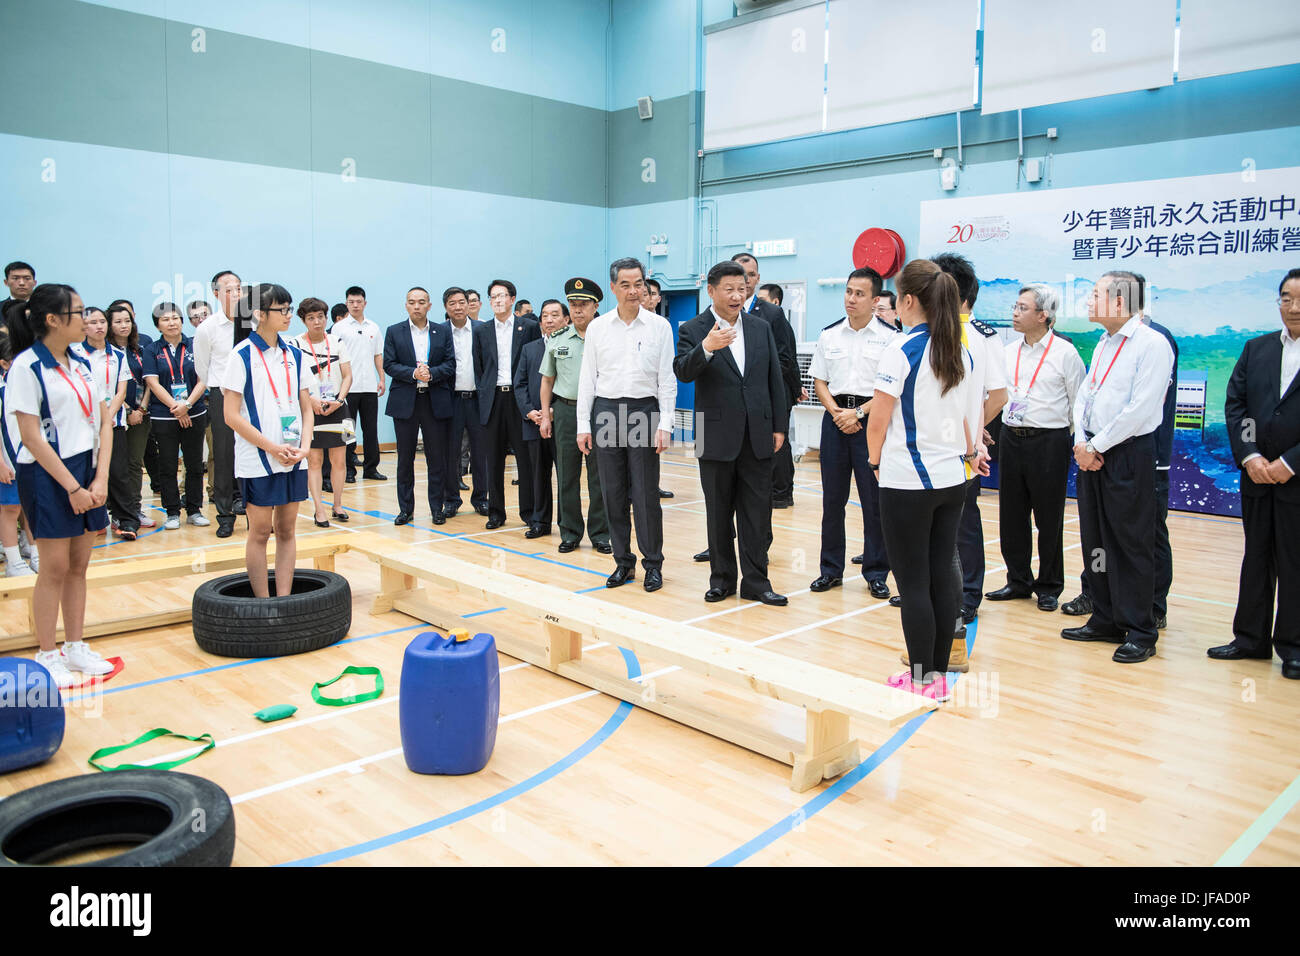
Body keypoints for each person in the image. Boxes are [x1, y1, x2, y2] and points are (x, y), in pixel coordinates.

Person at [867, 260, 983, 702]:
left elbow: (879, 418)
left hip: (907, 482)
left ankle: (921, 679)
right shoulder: (961, 349)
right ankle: (936, 673)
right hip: (953, 479)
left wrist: (875, 462)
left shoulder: (902, 348)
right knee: (941, 575)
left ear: (909, 300)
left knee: (913, 583)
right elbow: (970, 418)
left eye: (895, 295)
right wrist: (971, 455)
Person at [1060, 270, 1174, 664]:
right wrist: (1080, 442)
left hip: (1126, 453)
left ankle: (1140, 629)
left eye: (1095, 295)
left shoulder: (1152, 345)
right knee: (1097, 539)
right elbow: (1085, 396)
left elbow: (1140, 410)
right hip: (1092, 450)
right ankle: (1105, 617)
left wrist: (1095, 445)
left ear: (1120, 302)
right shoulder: (1105, 343)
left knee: (1131, 543)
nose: (1089, 302)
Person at [7, 284, 116, 687]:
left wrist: (100, 477)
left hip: (87, 469)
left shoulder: (83, 360)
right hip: (48, 475)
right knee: (52, 567)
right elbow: (31, 436)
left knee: (78, 566)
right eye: (78, 312)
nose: (86, 319)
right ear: (52, 320)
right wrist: (72, 487)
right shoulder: (26, 367)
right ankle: (47, 653)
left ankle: (75, 646)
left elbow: (104, 420)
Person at [675, 260, 788, 605]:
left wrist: (780, 426)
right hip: (713, 432)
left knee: (756, 513)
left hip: (758, 432)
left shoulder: (759, 327)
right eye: (729, 289)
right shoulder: (693, 329)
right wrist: (707, 347)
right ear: (711, 291)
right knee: (718, 511)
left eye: (742, 289)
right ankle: (722, 579)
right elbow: (682, 371)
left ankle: (756, 581)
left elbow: (774, 378)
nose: (738, 295)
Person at [1212, 268, 1300, 677]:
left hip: (1294, 477)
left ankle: (1294, 646)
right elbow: (1236, 405)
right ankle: (1250, 639)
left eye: (1299, 299)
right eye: (1285, 298)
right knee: (1256, 556)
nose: (1293, 307)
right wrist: (1249, 456)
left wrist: (1289, 463)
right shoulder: (1257, 348)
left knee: (1294, 560)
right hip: (1257, 475)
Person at [577, 257, 676, 591]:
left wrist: (666, 423)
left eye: (639, 284)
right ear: (613, 288)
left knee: (646, 493)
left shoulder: (660, 327)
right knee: (612, 493)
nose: (634, 291)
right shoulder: (598, 328)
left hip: (645, 411)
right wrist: (583, 424)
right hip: (605, 411)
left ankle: (653, 564)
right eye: (626, 285)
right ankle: (623, 562)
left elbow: (667, 380)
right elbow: (587, 379)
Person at [984, 284, 1085, 611]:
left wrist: (1075, 440)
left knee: (1049, 516)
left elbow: (1078, 403)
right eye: (1015, 306)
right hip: (1012, 438)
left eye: (1023, 308)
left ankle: (1050, 585)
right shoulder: (1008, 351)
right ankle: (1018, 580)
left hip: (1049, 441)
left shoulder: (1065, 353)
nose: (1014, 313)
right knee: (1011, 515)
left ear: (1044, 315)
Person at [807, 267, 896, 600]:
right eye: (848, 292)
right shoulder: (829, 335)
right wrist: (838, 413)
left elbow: (889, 389)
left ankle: (876, 572)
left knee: (874, 503)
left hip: (870, 422)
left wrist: (857, 413)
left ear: (875, 300)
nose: (851, 299)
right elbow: (819, 380)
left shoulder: (890, 337)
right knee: (832, 501)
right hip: (835, 421)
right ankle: (830, 570)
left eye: (859, 294)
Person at [932, 252, 1008, 625]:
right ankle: (934, 589)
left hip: (961, 450)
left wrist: (976, 431)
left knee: (963, 520)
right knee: (931, 521)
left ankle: (968, 594)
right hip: (929, 448)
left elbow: (998, 395)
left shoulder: (979, 336)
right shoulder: (931, 331)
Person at [223, 284, 312, 598]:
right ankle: (262, 602)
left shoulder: (295, 353)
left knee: (287, 530)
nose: (289, 315)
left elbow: (306, 405)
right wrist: (272, 448)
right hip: (258, 459)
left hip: (294, 456)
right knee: (260, 532)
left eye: (289, 308)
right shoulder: (241, 355)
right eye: (282, 310)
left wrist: (305, 444)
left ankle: (284, 599)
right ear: (259, 314)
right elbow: (231, 416)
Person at [540, 278, 611, 554]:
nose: (578, 310)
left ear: (595, 307)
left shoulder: (606, 336)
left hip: (599, 411)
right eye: (573, 304)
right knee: (566, 474)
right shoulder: (559, 340)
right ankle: (569, 532)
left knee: (600, 475)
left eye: (583, 305)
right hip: (567, 412)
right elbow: (547, 380)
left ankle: (601, 534)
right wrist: (546, 416)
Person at [732, 253, 801, 509]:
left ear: (758, 278)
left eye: (751, 275)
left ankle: (781, 493)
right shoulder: (714, 315)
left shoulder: (771, 313)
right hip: (732, 405)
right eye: (740, 273)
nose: (746, 279)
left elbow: (785, 358)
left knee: (775, 449)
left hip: (765, 397)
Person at [472, 278, 540, 529]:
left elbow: (533, 365)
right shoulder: (481, 330)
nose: (497, 300)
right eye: (493, 297)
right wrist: (485, 392)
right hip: (492, 400)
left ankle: (529, 513)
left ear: (512, 299)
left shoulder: (528, 327)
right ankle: (496, 513)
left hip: (519, 398)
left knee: (525, 459)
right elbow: (479, 369)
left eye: (502, 296)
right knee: (494, 460)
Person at [385, 287, 455, 526]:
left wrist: (431, 374)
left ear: (429, 305)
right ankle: (406, 509)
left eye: (421, 302)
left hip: (434, 400)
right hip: (405, 401)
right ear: (406, 305)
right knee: (405, 459)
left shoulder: (442, 331)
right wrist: (413, 373)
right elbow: (389, 364)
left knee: (436, 459)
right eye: (412, 302)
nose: (417, 306)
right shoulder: (394, 331)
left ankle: (437, 508)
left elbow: (450, 363)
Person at [143, 301, 208, 530]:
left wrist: (187, 405)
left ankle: (194, 510)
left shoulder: (195, 344)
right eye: (165, 319)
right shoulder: (152, 350)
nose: (172, 323)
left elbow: (204, 378)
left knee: (194, 464)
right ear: (158, 325)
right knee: (168, 465)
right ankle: (172, 512)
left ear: (182, 321)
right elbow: (152, 382)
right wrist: (176, 407)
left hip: (195, 411)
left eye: (175, 318)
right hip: (164, 415)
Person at [193, 270, 243, 537]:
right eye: (229, 289)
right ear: (216, 294)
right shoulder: (207, 329)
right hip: (222, 395)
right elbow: (203, 369)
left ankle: (250, 504)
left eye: (238, 288)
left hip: (250, 397)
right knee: (223, 456)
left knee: (252, 451)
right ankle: (225, 514)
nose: (235, 294)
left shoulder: (252, 322)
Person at [513, 299, 569, 538]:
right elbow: (520, 383)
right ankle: (540, 522)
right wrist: (529, 411)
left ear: (566, 319)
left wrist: (554, 411)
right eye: (545, 315)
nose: (549, 320)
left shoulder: (574, 346)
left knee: (566, 476)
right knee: (538, 474)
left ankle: (568, 526)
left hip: (563, 421)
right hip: (534, 422)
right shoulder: (530, 349)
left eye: (555, 315)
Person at [294, 297, 352, 527]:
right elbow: (295, 381)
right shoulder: (296, 345)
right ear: (303, 320)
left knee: (340, 460)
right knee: (314, 460)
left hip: (340, 407)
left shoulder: (337, 341)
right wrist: (312, 400)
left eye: (320, 317)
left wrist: (339, 399)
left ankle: (338, 504)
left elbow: (347, 375)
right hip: (311, 408)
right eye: (311, 318)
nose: (316, 322)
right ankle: (319, 509)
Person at [74, 308, 129, 538]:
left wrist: (106, 416)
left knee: (118, 473)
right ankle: (90, 520)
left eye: (102, 322)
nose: (99, 326)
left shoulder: (117, 354)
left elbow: (121, 390)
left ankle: (125, 520)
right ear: (83, 326)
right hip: (83, 425)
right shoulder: (74, 353)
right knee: (87, 473)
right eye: (92, 322)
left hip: (112, 423)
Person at [105, 302, 152, 539]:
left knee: (134, 464)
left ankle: (135, 508)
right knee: (115, 466)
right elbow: (113, 388)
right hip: (116, 415)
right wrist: (127, 408)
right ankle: (116, 511)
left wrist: (141, 409)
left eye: (127, 321)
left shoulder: (140, 349)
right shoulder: (107, 352)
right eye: (118, 321)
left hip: (141, 414)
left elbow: (149, 382)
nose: (124, 325)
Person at [440, 287, 487, 518]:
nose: (458, 307)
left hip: (478, 400)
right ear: (445, 307)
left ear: (469, 305)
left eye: (462, 302)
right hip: (451, 400)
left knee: (481, 452)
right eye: (452, 303)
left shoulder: (482, 329)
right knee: (451, 452)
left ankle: (481, 498)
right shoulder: (439, 332)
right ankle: (451, 499)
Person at [332, 285, 386, 483]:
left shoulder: (374, 327)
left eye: (359, 302)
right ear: (347, 303)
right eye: (351, 302)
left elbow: (377, 355)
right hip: (348, 389)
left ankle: (371, 468)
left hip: (370, 387)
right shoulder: (339, 328)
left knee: (371, 429)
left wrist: (381, 378)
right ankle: (348, 470)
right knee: (347, 430)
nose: (355, 305)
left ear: (365, 303)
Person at [0, 323, 33, 575]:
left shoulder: (28, 386)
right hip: (7, 460)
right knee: (10, 509)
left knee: (31, 506)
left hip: (30, 458)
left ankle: (35, 553)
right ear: (4, 363)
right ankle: (13, 561)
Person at [1, 262, 36, 328]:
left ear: (34, 283)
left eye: (27, 278)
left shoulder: (44, 308)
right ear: (6, 282)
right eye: (15, 278)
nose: (21, 283)